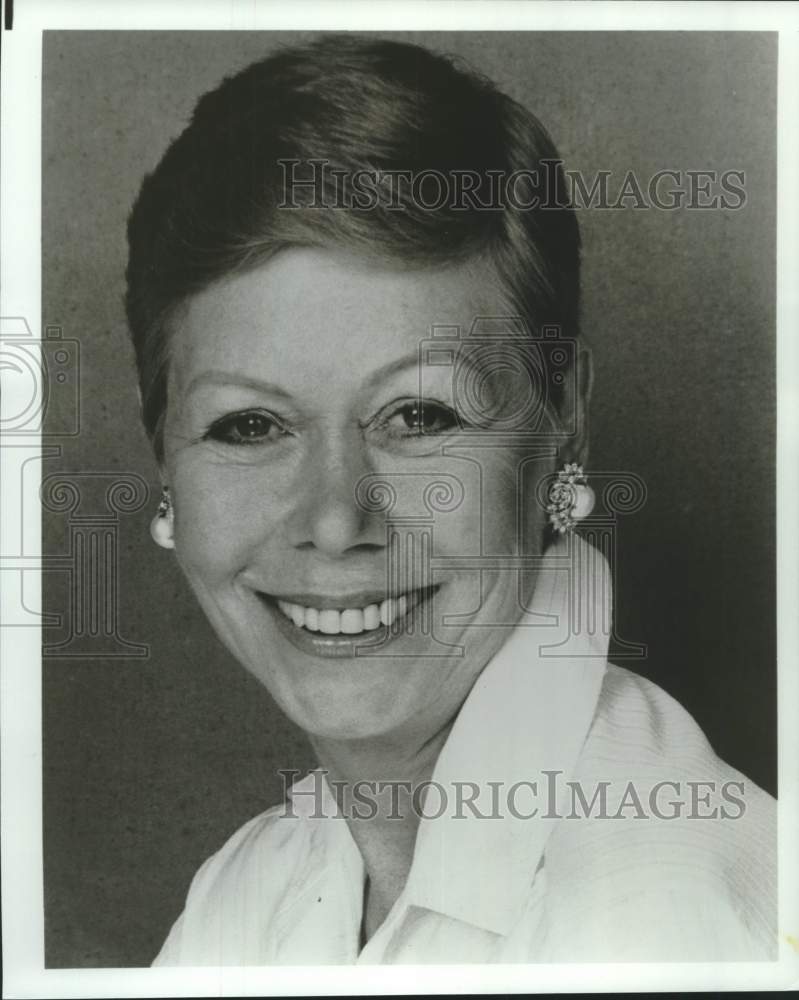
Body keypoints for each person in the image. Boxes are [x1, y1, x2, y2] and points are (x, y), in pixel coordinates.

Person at [125, 35, 776, 964]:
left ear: (563, 420)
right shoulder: (249, 887)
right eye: (249, 426)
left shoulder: (657, 916)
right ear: (165, 469)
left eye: (418, 414)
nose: (334, 522)